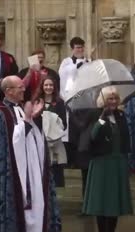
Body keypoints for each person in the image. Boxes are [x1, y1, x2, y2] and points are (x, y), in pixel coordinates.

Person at [0, 75, 61, 232]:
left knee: (37, 200)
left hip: (31, 164)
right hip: (13, 168)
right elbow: (10, 142)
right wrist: (27, 118)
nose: (24, 90)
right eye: (19, 87)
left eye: (23, 87)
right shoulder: (1, 112)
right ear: (8, 91)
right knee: (18, 201)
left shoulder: (21, 108)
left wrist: (33, 118)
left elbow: (33, 135)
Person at [82, 86, 133, 232]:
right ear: (102, 100)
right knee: (101, 202)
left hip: (117, 162)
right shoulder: (94, 115)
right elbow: (91, 137)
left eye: (115, 99)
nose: (112, 102)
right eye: (109, 99)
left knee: (114, 203)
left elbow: (126, 137)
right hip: (101, 162)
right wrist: (102, 119)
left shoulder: (120, 115)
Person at [58, 36, 89, 170]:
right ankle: (70, 160)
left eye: (82, 47)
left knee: (83, 130)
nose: (80, 50)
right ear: (72, 49)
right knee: (71, 132)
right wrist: (78, 66)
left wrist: (87, 65)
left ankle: (81, 160)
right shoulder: (67, 62)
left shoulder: (89, 61)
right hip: (70, 100)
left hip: (84, 101)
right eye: (77, 47)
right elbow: (64, 74)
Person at [37, 77, 67, 187]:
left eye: (51, 85)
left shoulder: (59, 102)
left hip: (55, 142)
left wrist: (52, 120)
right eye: (46, 85)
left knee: (56, 169)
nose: (48, 87)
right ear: (42, 86)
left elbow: (64, 123)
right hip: (41, 140)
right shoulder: (37, 101)